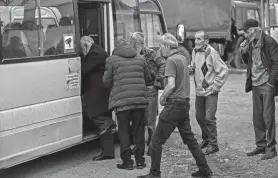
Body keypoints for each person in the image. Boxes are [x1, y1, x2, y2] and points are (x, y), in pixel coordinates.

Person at [137, 33, 212, 178]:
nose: (159, 50)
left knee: (156, 141)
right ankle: (205, 169)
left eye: (160, 46)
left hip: (174, 105)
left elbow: (170, 85)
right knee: (191, 140)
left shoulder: (170, 61)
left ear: (167, 46)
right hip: (184, 104)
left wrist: (162, 97)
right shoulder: (183, 58)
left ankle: (154, 173)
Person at [102, 39, 151, 170]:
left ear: (116, 48)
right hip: (139, 101)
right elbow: (147, 78)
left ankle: (127, 163)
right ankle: (140, 161)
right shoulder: (141, 59)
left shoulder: (112, 60)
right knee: (139, 131)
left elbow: (106, 82)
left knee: (123, 131)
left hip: (122, 102)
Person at [240, 19, 278, 160]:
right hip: (255, 84)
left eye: (248, 31)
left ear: (256, 29)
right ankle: (261, 145)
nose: (246, 34)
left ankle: (271, 148)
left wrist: (271, 83)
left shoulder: (269, 42)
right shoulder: (250, 42)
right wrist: (243, 51)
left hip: (267, 83)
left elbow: (276, 63)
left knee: (268, 117)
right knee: (257, 117)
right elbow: (246, 61)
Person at [190, 30, 228, 155]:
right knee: (199, 117)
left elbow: (223, 70)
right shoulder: (194, 51)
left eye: (199, 39)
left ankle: (213, 144)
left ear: (206, 41)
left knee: (209, 118)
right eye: (195, 39)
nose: (196, 41)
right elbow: (195, 66)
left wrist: (216, 86)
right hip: (199, 91)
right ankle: (206, 139)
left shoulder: (211, 52)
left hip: (210, 91)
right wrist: (191, 68)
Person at [80, 36, 115, 161]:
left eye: (82, 48)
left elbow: (84, 70)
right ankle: (108, 152)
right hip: (101, 91)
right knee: (103, 118)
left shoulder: (94, 54)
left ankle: (110, 125)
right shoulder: (99, 51)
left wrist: (83, 58)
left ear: (85, 45)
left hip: (97, 92)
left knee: (98, 116)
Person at [130, 32, 165, 152]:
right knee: (138, 120)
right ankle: (138, 145)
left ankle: (152, 145)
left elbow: (162, 64)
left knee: (150, 120)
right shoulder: (131, 54)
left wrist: (158, 79)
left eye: (134, 42)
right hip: (137, 89)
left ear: (139, 42)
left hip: (150, 88)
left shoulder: (151, 53)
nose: (133, 44)